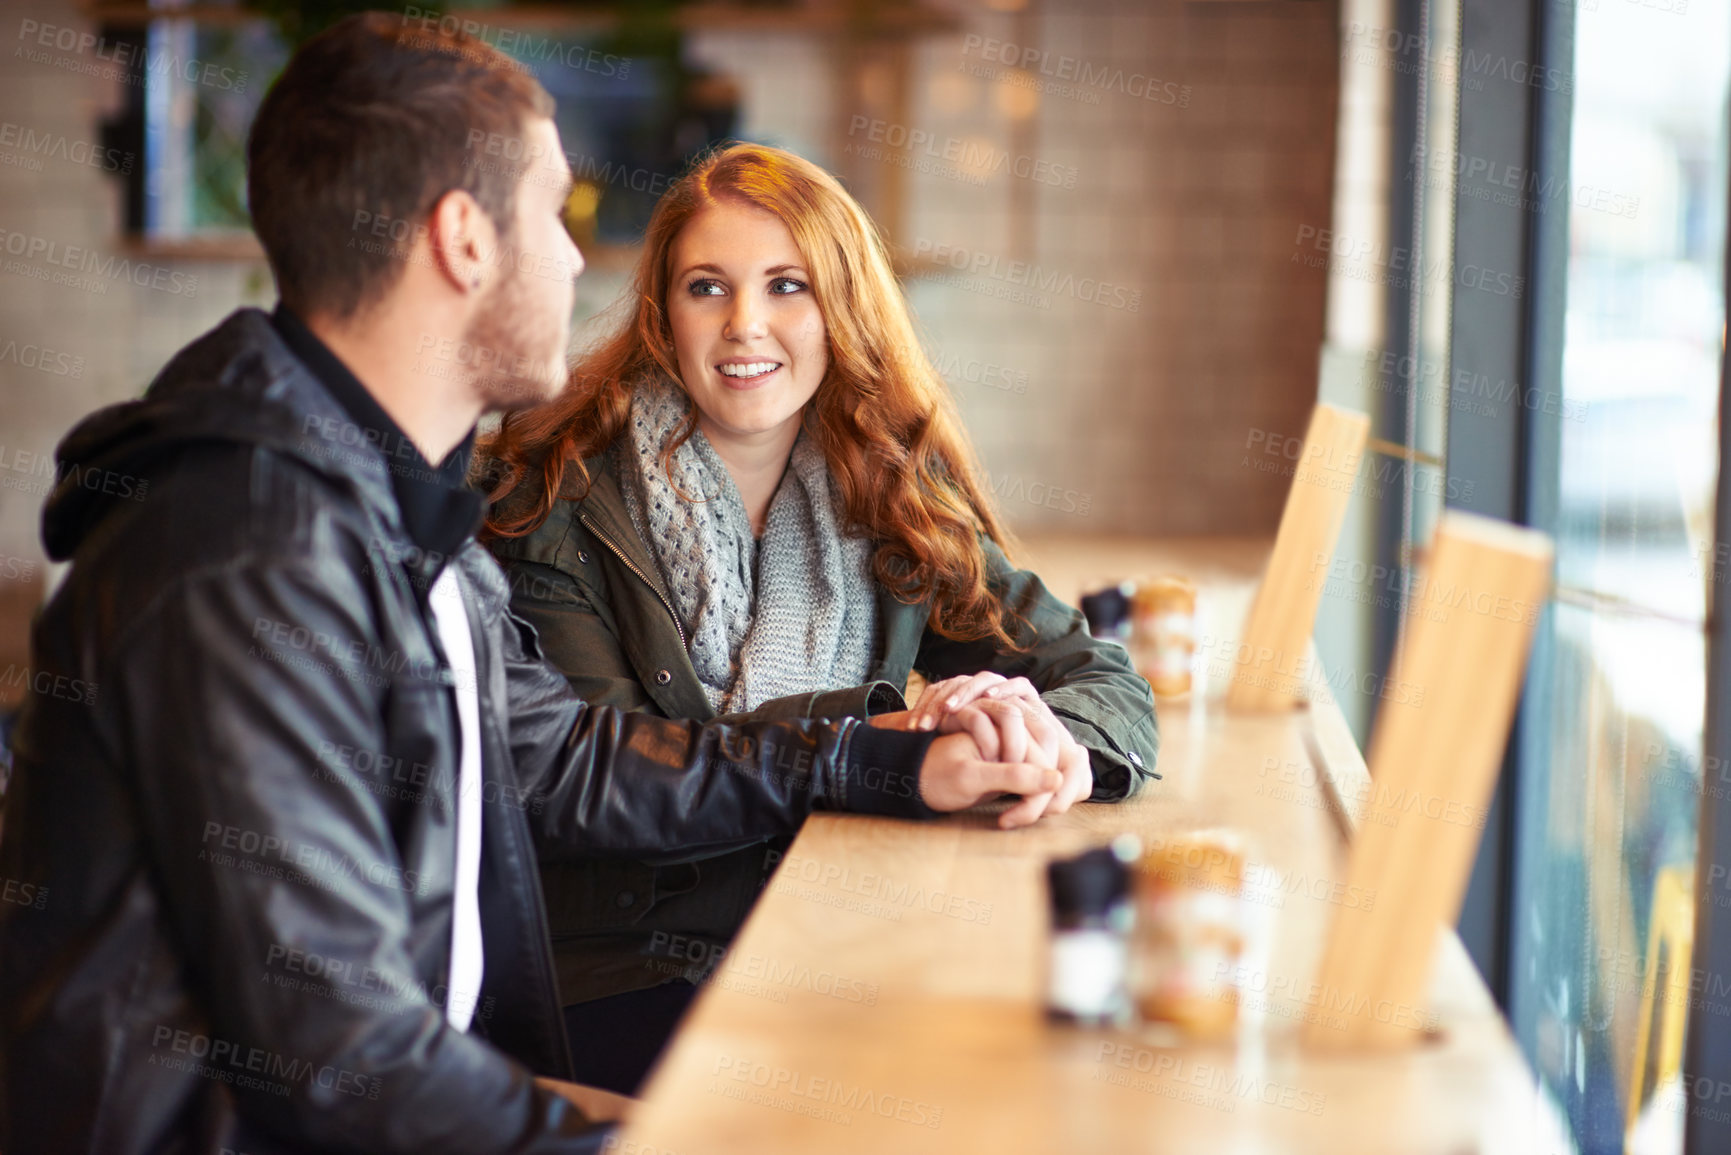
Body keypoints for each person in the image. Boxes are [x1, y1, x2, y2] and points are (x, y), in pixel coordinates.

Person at [0, 16, 1067, 1155]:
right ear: (464, 239)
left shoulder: (387, 501)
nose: (576, 261)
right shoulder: (249, 549)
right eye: (554, 216)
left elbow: (565, 757)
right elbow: (333, 1058)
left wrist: (887, 760)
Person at [479, 142, 1160, 1092]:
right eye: (706, 287)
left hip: (838, 921)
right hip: (622, 967)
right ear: (661, 313)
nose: (744, 325)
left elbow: (1095, 671)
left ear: (840, 307)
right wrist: (889, 739)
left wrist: (1052, 742)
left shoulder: (887, 486)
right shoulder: (552, 489)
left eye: (787, 285)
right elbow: (609, 771)